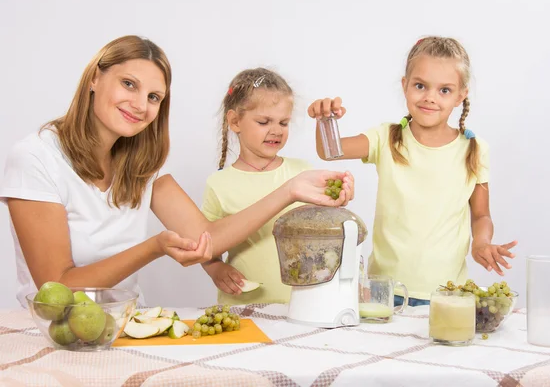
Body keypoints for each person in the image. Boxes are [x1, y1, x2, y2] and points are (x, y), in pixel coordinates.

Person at [0, 36, 354, 308]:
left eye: (154, 97)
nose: (140, 105)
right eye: (129, 84)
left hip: (122, 325)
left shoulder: (142, 165)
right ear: (95, 77)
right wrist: (154, 247)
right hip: (51, 334)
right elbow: (58, 288)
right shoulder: (36, 158)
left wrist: (292, 189)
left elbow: (207, 240)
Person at [307, 36, 517, 306]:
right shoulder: (386, 138)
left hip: (448, 294)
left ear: (461, 95)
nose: (430, 97)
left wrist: (482, 243)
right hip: (384, 292)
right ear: (405, 85)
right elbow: (330, 150)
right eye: (420, 86)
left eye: (444, 90)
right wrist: (326, 119)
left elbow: (481, 214)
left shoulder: (474, 149)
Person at [200, 68, 354, 305]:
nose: (276, 131)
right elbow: (206, 245)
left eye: (284, 122)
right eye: (263, 122)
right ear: (234, 121)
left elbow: (324, 228)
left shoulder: (302, 173)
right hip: (242, 306)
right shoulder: (219, 184)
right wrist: (215, 269)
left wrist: (341, 196)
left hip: (300, 304)